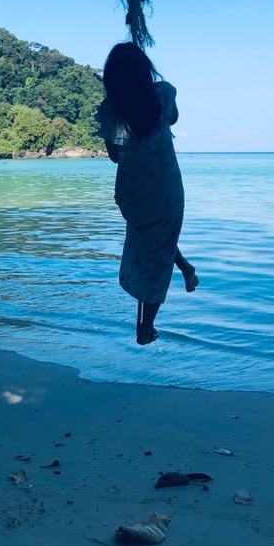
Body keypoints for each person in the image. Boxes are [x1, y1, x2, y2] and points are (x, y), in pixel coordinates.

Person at [98, 42, 198, 345]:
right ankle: (146, 327)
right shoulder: (163, 95)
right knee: (159, 245)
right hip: (164, 188)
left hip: (133, 192)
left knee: (149, 242)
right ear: (145, 70)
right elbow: (174, 117)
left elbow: (115, 155)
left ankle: (186, 268)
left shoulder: (112, 110)